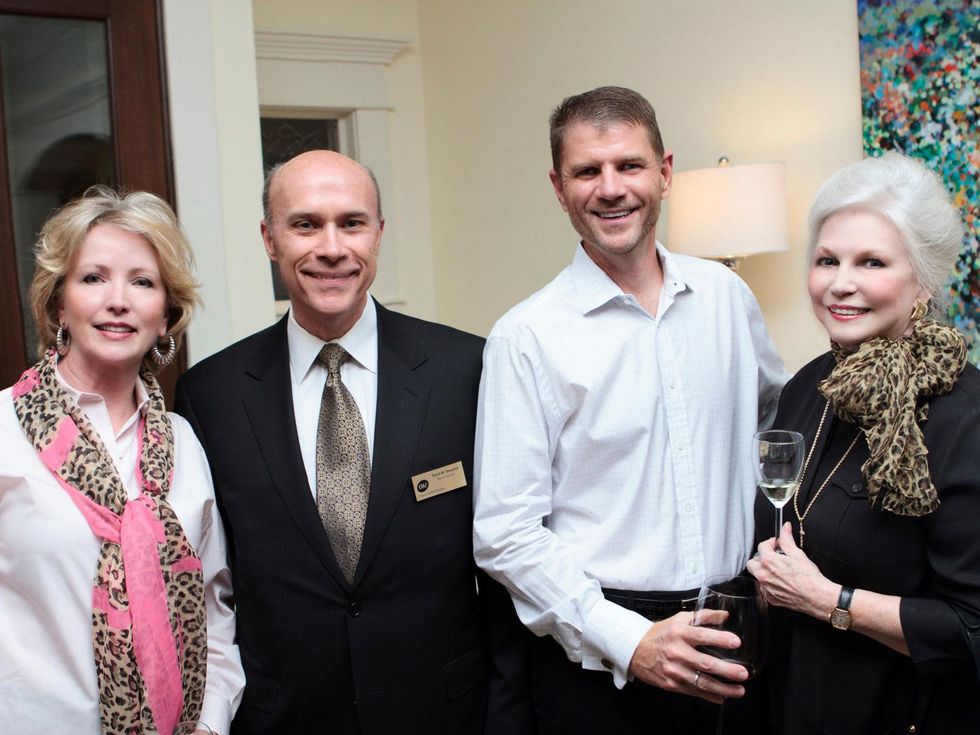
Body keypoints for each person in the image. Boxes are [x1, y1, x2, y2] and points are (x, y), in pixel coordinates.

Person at [174, 149, 532, 735]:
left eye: (352, 223)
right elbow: (214, 589)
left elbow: (506, 566)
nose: (332, 248)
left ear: (380, 234)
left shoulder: (467, 370)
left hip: (446, 715)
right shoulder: (210, 396)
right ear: (269, 238)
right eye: (306, 224)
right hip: (284, 719)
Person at [472, 85, 787, 734]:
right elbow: (504, 531)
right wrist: (628, 638)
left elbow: (777, 428)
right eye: (588, 171)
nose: (611, 188)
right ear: (559, 188)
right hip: (600, 659)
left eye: (630, 165)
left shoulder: (727, 296)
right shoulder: (526, 336)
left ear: (665, 172)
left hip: (736, 633)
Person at [747, 152, 980, 733]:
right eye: (827, 260)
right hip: (791, 702)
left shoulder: (964, 416)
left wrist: (828, 600)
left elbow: (971, 627)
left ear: (922, 281)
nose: (840, 284)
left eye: (871, 262)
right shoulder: (810, 382)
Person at [0, 187, 244, 735]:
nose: (119, 300)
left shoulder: (183, 442)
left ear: (165, 317)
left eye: (142, 281)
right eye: (93, 278)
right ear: (59, 304)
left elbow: (214, 610)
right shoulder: (3, 432)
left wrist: (209, 722)